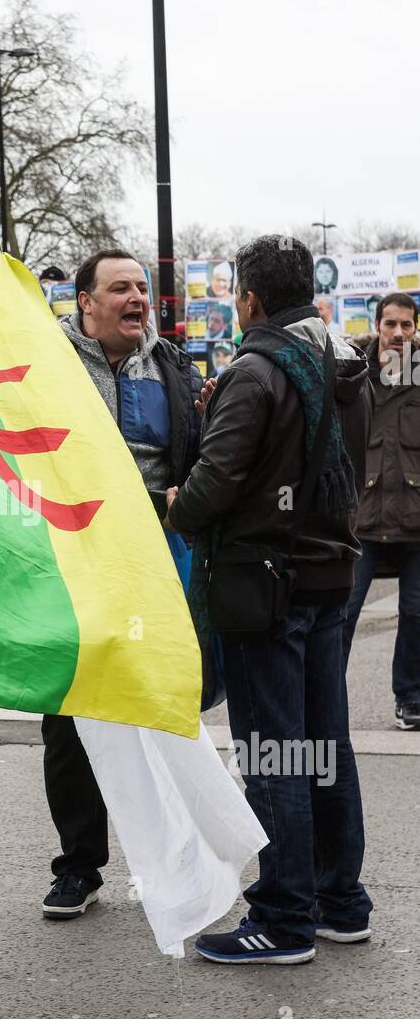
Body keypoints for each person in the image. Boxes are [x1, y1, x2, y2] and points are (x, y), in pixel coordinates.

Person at [167, 234, 372, 964]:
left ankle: (284, 918)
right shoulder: (345, 360)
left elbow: (214, 486)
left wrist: (175, 502)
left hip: (264, 586)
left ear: (249, 298)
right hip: (329, 578)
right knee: (324, 744)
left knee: (275, 751)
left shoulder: (255, 370)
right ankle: (339, 900)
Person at [41, 248, 204, 919]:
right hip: (70, 562)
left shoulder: (174, 369)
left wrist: (186, 499)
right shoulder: (42, 366)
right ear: (86, 302)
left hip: (155, 564)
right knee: (68, 714)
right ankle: (78, 867)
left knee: (160, 707)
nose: (138, 297)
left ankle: (176, 862)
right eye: (120, 288)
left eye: (142, 287)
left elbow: (201, 455)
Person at [343, 292, 420, 730]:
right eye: (389, 324)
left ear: (415, 329)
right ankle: (325, 696)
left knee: (415, 613)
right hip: (362, 519)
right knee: (341, 614)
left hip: (415, 520)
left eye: (406, 325)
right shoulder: (352, 372)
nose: (397, 333)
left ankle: (410, 699)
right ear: (377, 326)